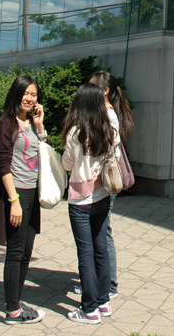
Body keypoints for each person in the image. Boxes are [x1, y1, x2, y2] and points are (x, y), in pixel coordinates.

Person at [0, 75, 47, 324]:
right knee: (16, 251)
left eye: (34, 95)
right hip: (17, 192)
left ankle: (16, 302)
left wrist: (40, 126)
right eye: (26, 94)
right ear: (16, 95)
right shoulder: (7, 125)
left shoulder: (32, 123)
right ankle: (12, 311)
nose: (30, 98)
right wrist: (14, 200)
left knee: (26, 251)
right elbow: (3, 165)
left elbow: (42, 151)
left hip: (32, 191)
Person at [62, 82, 119, 325]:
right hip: (102, 196)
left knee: (85, 252)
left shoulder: (76, 132)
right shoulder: (108, 129)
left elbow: (66, 164)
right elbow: (113, 157)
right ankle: (104, 301)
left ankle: (89, 309)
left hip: (80, 200)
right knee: (100, 248)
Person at [87, 70, 134, 300]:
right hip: (99, 179)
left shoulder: (108, 115)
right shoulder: (103, 113)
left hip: (105, 180)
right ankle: (99, 280)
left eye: (92, 86)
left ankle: (110, 284)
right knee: (99, 230)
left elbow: (105, 148)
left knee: (103, 231)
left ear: (104, 91)